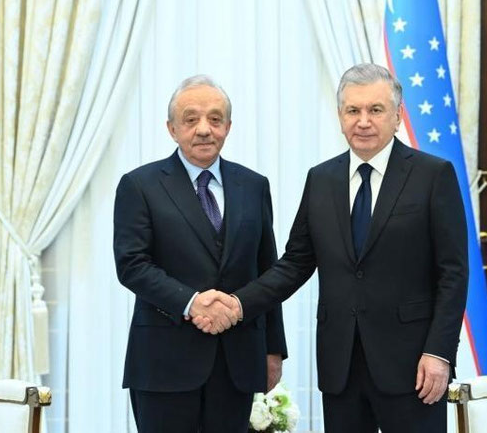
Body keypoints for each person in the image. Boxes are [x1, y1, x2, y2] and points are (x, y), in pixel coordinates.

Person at [194, 63, 467, 432]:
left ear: (398, 116)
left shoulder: (433, 175)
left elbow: (453, 273)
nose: (363, 121)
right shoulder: (321, 179)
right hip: (341, 366)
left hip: (414, 366)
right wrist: (238, 304)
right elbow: (294, 264)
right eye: (353, 110)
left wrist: (438, 352)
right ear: (340, 116)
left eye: (375, 110)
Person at [113, 75, 288, 433]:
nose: (204, 129)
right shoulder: (140, 185)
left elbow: (266, 270)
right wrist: (192, 303)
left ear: (228, 127)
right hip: (164, 363)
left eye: (215, 119)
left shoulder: (254, 186)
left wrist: (273, 350)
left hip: (238, 362)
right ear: (172, 129)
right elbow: (132, 265)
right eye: (191, 119)